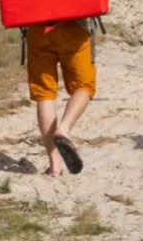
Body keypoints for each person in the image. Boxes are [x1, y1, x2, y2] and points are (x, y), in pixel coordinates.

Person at [25, 19, 97, 176]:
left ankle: (54, 165)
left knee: (44, 95)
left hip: (37, 29)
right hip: (74, 27)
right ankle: (64, 129)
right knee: (83, 86)